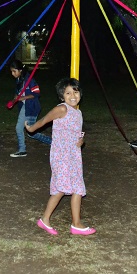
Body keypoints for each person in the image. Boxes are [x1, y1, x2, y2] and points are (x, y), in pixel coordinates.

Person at [25, 78, 95, 236]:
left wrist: (81, 141)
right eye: (68, 93)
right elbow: (44, 120)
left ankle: (76, 224)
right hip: (61, 155)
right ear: (62, 96)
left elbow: (76, 131)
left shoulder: (78, 112)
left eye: (75, 92)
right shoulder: (62, 109)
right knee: (61, 188)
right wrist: (31, 128)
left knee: (77, 187)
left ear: (80, 94)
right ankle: (44, 219)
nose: (72, 96)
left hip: (74, 155)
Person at [8, 59, 51, 157]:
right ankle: (22, 150)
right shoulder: (19, 80)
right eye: (11, 71)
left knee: (32, 132)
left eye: (14, 71)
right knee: (19, 128)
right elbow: (18, 92)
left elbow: (36, 93)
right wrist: (15, 98)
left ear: (20, 70)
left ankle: (53, 142)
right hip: (24, 107)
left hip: (32, 107)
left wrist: (22, 97)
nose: (12, 73)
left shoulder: (29, 80)